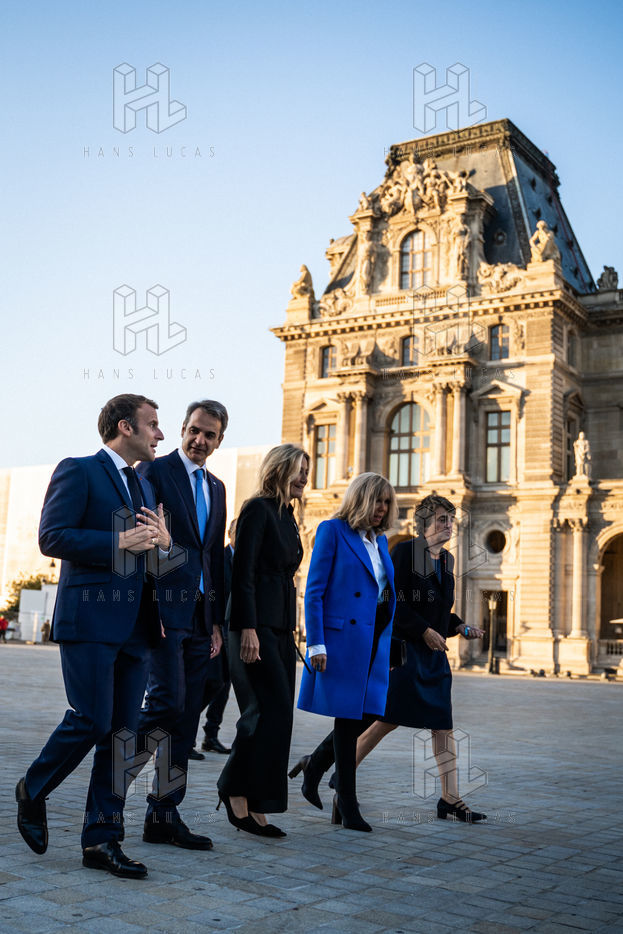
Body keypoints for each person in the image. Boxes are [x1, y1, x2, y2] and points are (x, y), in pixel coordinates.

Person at [16, 394, 169, 878]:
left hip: (137, 627)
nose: (159, 434)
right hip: (90, 620)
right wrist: (117, 541)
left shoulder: (143, 485)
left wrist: (165, 546)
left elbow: (147, 557)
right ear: (125, 427)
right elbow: (52, 536)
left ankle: (102, 839)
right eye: (152, 424)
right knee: (91, 720)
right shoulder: (78, 470)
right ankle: (32, 788)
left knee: (123, 736)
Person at [355, 493, 487, 822]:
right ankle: (345, 772)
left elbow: (440, 613)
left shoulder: (447, 561)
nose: (449, 525)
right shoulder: (405, 552)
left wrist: (460, 627)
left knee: (443, 726)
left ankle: (450, 799)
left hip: (435, 659)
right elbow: (391, 602)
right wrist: (423, 630)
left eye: (451, 520)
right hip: (407, 654)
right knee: (386, 722)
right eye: (442, 519)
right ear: (425, 523)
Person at [134, 400, 227, 850]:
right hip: (164, 610)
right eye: (194, 430)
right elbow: (144, 540)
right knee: (165, 704)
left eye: (209, 434)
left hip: (200, 617)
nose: (199, 440)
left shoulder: (217, 487)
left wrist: (217, 621)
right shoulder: (155, 472)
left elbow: (213, 557)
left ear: (219, 440)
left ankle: (164, 814)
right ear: (182, 429)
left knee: (186, 717)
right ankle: (110, 783)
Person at [295, 473, 397, 832]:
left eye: (386, 502)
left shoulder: (380, 541)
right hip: (343, 640)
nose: (382, 508)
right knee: (348, 718)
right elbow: (314, 591)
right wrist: (316, 643)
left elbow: (384, 592)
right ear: (360, 499)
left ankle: (315, 765)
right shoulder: (332, 530)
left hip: (376, 639)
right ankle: (348, 802)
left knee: (370, 713)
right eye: (377, 500)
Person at [217, 444, 308, 837]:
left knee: (279, 717)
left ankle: (258, 801)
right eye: (299, 469)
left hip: (280, 627)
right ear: (279, 470)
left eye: (307, 470)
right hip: (253, 627)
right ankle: (234, 790)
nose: (305, 477)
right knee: (261, 712)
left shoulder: (288, 516)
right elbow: (244, 572)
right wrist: (248, 628)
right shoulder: (257, 508)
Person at [197, 518, 236, 756]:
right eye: (237, 531)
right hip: (217, 628)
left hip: (234, 630)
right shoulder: (220, 558)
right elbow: (213, 592)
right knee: (213, 682)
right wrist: (214, 624)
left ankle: (211, 734)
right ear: (230, 533)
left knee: (224, 684)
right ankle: (186, 727)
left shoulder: (246, 559)